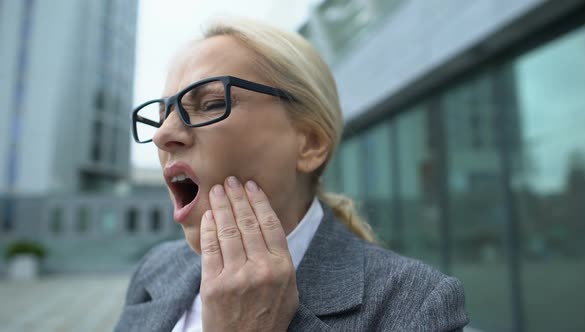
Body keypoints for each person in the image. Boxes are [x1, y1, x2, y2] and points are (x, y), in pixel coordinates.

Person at [115, 18, 469, 332]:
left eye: (210, 103)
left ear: (310, 144)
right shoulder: (155, 269)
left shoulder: (415, 305)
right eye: (161, 116)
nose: (163, 134)